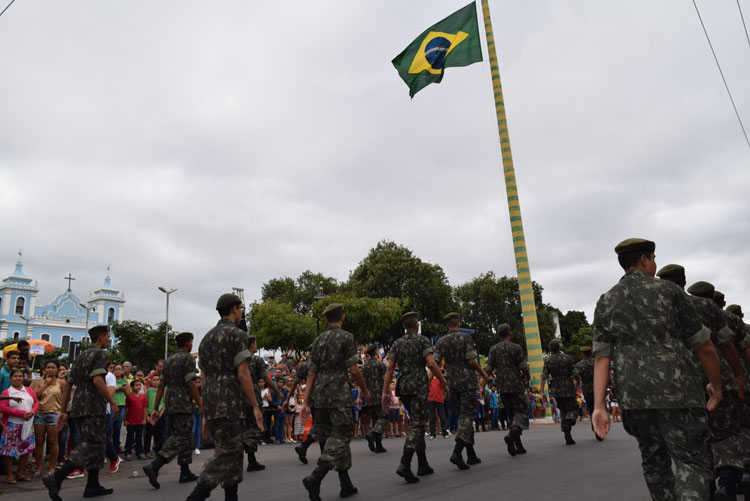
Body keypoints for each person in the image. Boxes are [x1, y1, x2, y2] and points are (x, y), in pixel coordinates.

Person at [592, 239, 722, 500]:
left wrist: (599, 406)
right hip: (678, 392)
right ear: (643, 259)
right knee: (691, 462)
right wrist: (716, 387)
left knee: (654, 463)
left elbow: (602, 358)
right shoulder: (669, 292)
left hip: (634, 397)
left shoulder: (607, 300)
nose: (654, 263)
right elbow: (704, 346)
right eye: (653, 258)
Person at [184, 294, 264, 501]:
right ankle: (196, 496)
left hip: (212, 396)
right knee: (230, 450)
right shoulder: (237, 335)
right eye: (241, 309)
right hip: (230, 398)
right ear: (236, 308)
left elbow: (204, 375)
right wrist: (255, 406)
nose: (241, 313)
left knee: (233, 454)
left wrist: (205, 412)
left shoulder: (207, 338)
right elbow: (243, 372)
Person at [299, 303, 371, 501]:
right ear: (343, 317)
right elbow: (354, 370)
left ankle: (345, 484)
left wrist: (306, 401)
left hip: (320, 396)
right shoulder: (346, 337)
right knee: (340, 438)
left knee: (329, 437)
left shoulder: (318, 340)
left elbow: (311, 372)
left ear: (325, 319)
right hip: (339, 394)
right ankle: (316, 477)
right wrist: (364, 391)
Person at [43, 324, 119, 501]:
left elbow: (69, 383)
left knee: (98, 444)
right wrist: (112, 402)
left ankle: (93, 484)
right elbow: (98, 380)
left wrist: (63, 410)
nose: (109, 340)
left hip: (79, 405)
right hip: (93, 405)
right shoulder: (99, 354)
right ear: (100, 337)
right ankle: (57, 477)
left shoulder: (80, 356)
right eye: (108, 336)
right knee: (92, 444)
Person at [381, 311, 448, 483]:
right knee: (418, 424)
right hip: (418, 386)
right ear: (416, 325)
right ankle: (405, 464)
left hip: (403, 387)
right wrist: (444, 382)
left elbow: (389, 369)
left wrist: (385, 392)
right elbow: (431, 363)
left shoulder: (397, 343)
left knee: (416, 422)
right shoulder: (422, 340)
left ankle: (423, 463)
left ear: (404, 327)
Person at [143, 332, 202, 488]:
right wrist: (200, 403)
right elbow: (190, 383)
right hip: (183, 402)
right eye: (191, 342)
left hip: (170, 402)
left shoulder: (168, 361)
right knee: (182, 437)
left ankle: (185, 471)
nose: (192, 345)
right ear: (187, 343)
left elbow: (162, 385)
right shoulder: (188, 358)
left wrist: (155, 408)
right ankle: (155, 464)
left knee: (185, 436)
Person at [433, 312, 488, 470]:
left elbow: (435, 363)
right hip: (467, 383)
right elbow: (471, 360)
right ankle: (457, 452)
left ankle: (471, 454)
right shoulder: (466, 338)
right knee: (467, 417)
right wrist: (482, 373)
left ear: (446, 325)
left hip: (452, 384)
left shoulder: (441, 341)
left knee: (462, 417)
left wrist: (442, 382)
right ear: (458, 324)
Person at [486, 323, 530, 456]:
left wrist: (483, 384)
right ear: (509, 333)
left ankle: (518, 445)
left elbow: (488, 369)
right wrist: (528, 377)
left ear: (499, 334)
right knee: (521, 411)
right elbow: (523, 366)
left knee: (511, 414)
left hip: (502, 386)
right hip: (515, 383)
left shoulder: (493, 349)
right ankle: (512, 436)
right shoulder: (516, 347)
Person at [242, 334, 280, 472]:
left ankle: (250, 460)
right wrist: (278, 391)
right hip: (253, 399)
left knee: (245, 428)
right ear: (252, 345)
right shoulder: (255, 360)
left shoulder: (236, 359)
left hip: (237, 400)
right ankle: (244, 444)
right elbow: (267, 379)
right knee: (258, 428)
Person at [0, 368, 38, 483]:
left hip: (27, 425)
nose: (18, 378)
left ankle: (19, 473)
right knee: (9, 451)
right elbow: (3, 408)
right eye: (15, 376)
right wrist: (22, 414)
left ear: (23, 378)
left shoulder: (29, 390)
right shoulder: (7, 393)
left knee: (26, 450)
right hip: (12, 424)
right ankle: (9, 475)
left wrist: (33, 412)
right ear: (10, 378)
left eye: (20, 376)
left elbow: (36, 402)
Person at [31, 360, 66, 477]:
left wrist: (63, 413)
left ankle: (52, 467)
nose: (50, 370)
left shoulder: (61, 383)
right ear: (44, 369)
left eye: (53, 367)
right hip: (40, 413)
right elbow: (34, 396)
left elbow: (67, 399)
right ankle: (39, 467)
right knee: (39, 442)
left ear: (57, 369)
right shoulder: (38, 381)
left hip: (54, 413)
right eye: (48, 367)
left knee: (53, 441)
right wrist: (45, 384)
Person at [541, 339, 578, 445]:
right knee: (573, 408)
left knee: (563, 410)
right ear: (559, 347)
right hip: (568, 387)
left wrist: (542, 390)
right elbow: (575, 373)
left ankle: (567, 434)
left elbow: (544, 376)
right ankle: (568, 423)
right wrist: (578, 383)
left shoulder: (548, 360)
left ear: (550, 349)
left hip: (556, 389)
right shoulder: (567, 358)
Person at [362, 344, 389, 453]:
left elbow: (361, 382)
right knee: (384, 417)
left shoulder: (365, 366)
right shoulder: (380, 365)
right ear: (376, 352)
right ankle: (372, 434)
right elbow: (385, 381)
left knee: (375, 420)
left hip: (369, 396)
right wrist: (388, 395)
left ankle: (378, 445)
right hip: (380, 395)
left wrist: (362, 395)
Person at [574, 346, 600, 441]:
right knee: (600, 407)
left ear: (582, 353)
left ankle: (595, 425)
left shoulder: (579, 365)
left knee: (592, 408)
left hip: (587, 389)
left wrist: (578, 386)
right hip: (598, 386)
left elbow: (576, 377)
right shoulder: (596, 362)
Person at [123, 380, 147, 460]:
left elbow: (144, 408)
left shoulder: (143, 397)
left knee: (139, 437)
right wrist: (125, 420)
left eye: (140, 385)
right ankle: (128, 452)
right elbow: (126, 409)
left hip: (140, 421)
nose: (138, 387)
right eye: (136, 385)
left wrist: (144, 419)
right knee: (130, 437)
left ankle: (139, 452)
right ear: (132, 387)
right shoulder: (129, 397)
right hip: (131, 421)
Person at [143, 374, 165, 458]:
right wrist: (147, 416)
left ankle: (158, 450)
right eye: (154, 380)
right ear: (151, 381)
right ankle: (147, 450)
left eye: (158, 380)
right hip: (150, 414)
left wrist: (161, 413)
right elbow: (145, 404)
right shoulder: (148, 391)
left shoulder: (162, 391)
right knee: (148, 433)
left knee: (159, 433)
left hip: (159, 414)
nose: (156, 381)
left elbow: (164, 404)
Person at [427, 371, 449, 440]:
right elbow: (426, 385)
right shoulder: (429, 379)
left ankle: (444, 432)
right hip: (431, 400)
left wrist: (440, 376)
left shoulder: (440, 379)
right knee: (432, 417)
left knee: (442, 417)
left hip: (439, 399)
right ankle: (432, 433)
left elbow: (444, 384)